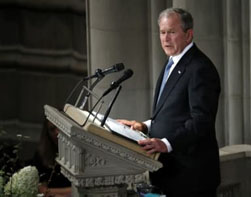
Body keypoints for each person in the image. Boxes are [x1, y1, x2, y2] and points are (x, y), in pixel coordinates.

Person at [118, 8, 221, 197]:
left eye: (172, 32)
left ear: (188, 35)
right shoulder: (172, 62)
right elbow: (172, 112)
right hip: (169, 174)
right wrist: (145, 125)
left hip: (192, 178)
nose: (165, 39)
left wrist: (167, 143)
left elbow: (201, 121)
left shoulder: (200, 68)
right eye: (162, 32)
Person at [30, 118, 71, 197]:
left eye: (60, 127)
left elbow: (80, 190)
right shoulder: (42, 154)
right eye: (52, 129)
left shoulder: (79, 154)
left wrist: (50, 192)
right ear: (47, 133)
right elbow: (39, 188)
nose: (57, 132)